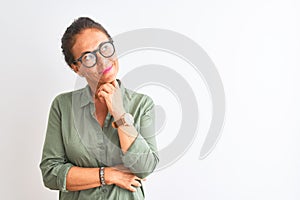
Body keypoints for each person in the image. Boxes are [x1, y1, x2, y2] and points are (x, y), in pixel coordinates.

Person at [39, 17, 159, 200]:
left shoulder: (142, 104)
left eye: (105, 48)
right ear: (76, 68)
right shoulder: (63, 106)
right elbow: (50, 173)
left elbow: (144, 167)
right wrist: (109, 175)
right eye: (88, 57)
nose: (103, 61)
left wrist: (119, 113)